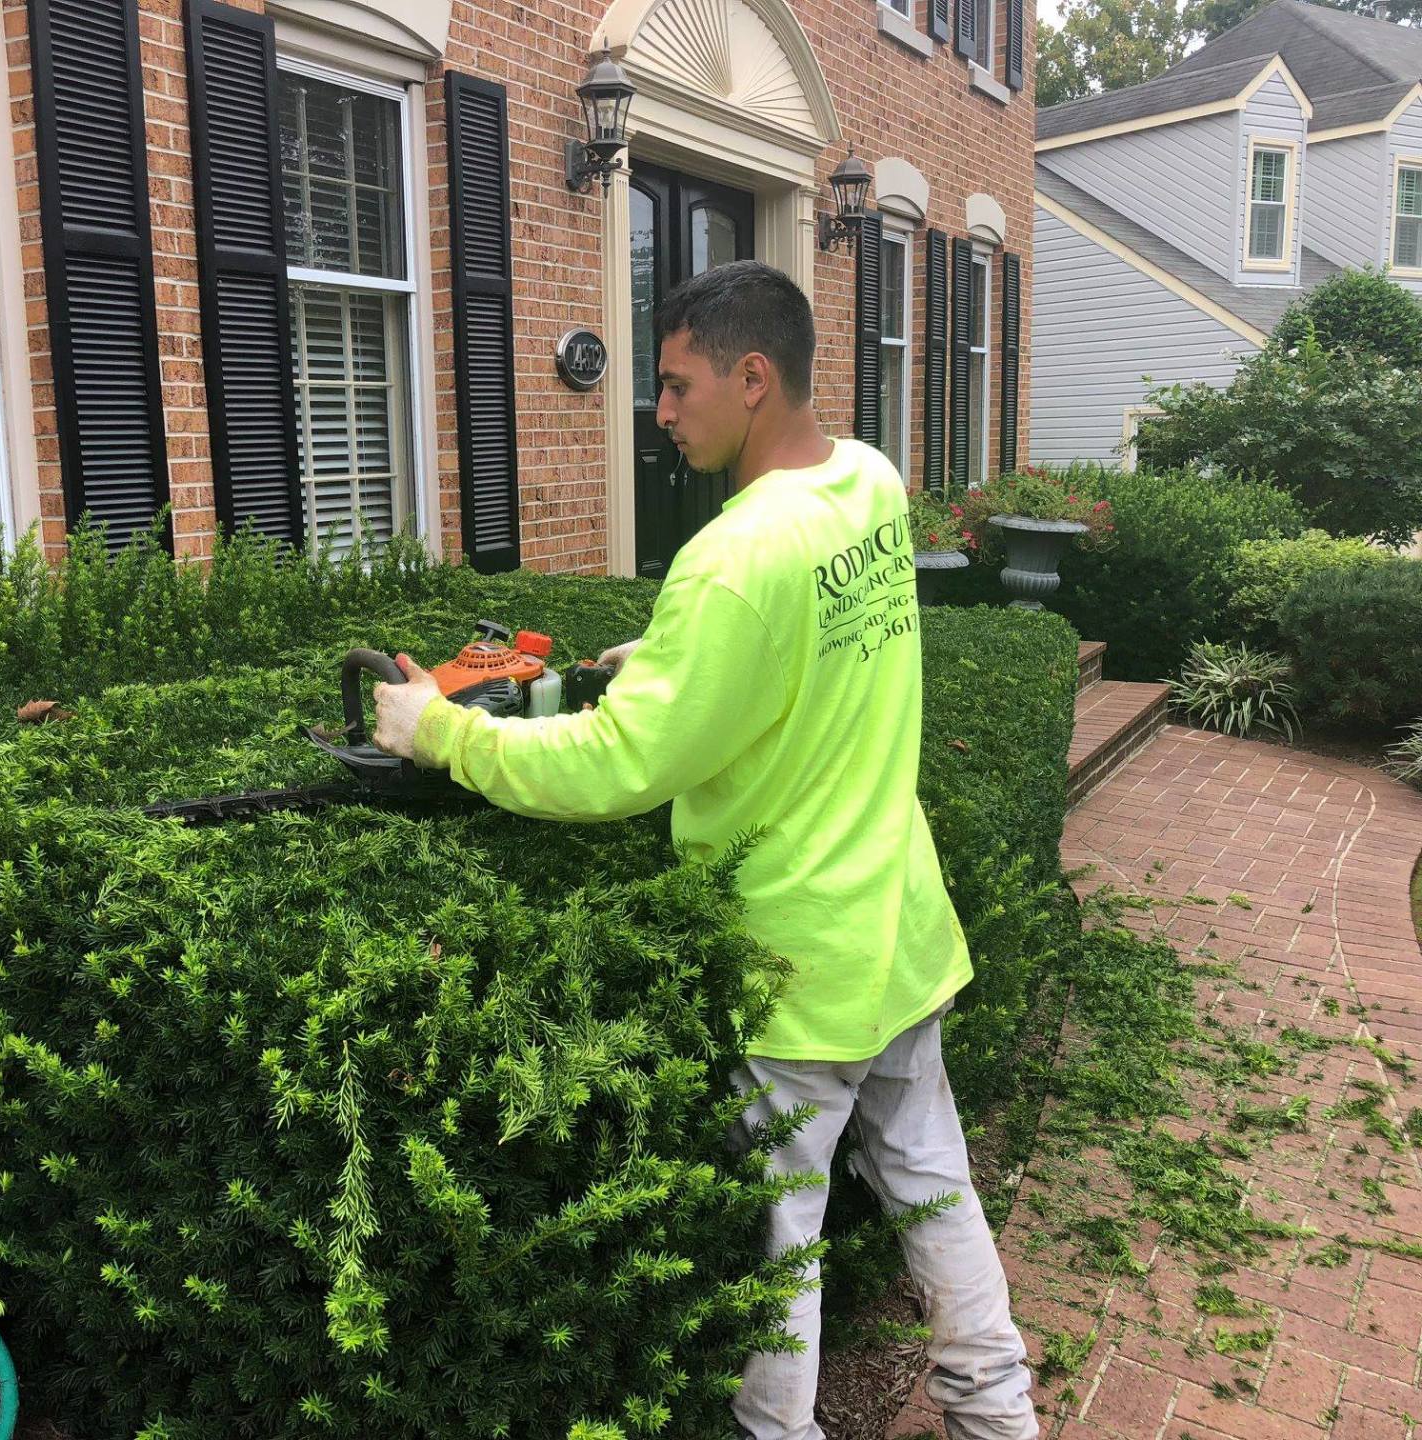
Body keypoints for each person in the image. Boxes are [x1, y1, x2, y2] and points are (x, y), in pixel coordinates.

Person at [368, 260, 1038, 1440]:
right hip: (898, 927)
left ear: (753, 377)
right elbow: (813, 647)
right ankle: (1002, 1413)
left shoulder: (731, 560)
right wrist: (678, 659)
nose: (661, 413)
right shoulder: (872, 481)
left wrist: (444, 734)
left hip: (796, 966)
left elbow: (616, 767)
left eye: (676, 388)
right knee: (937, 1191)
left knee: (783, 1246)